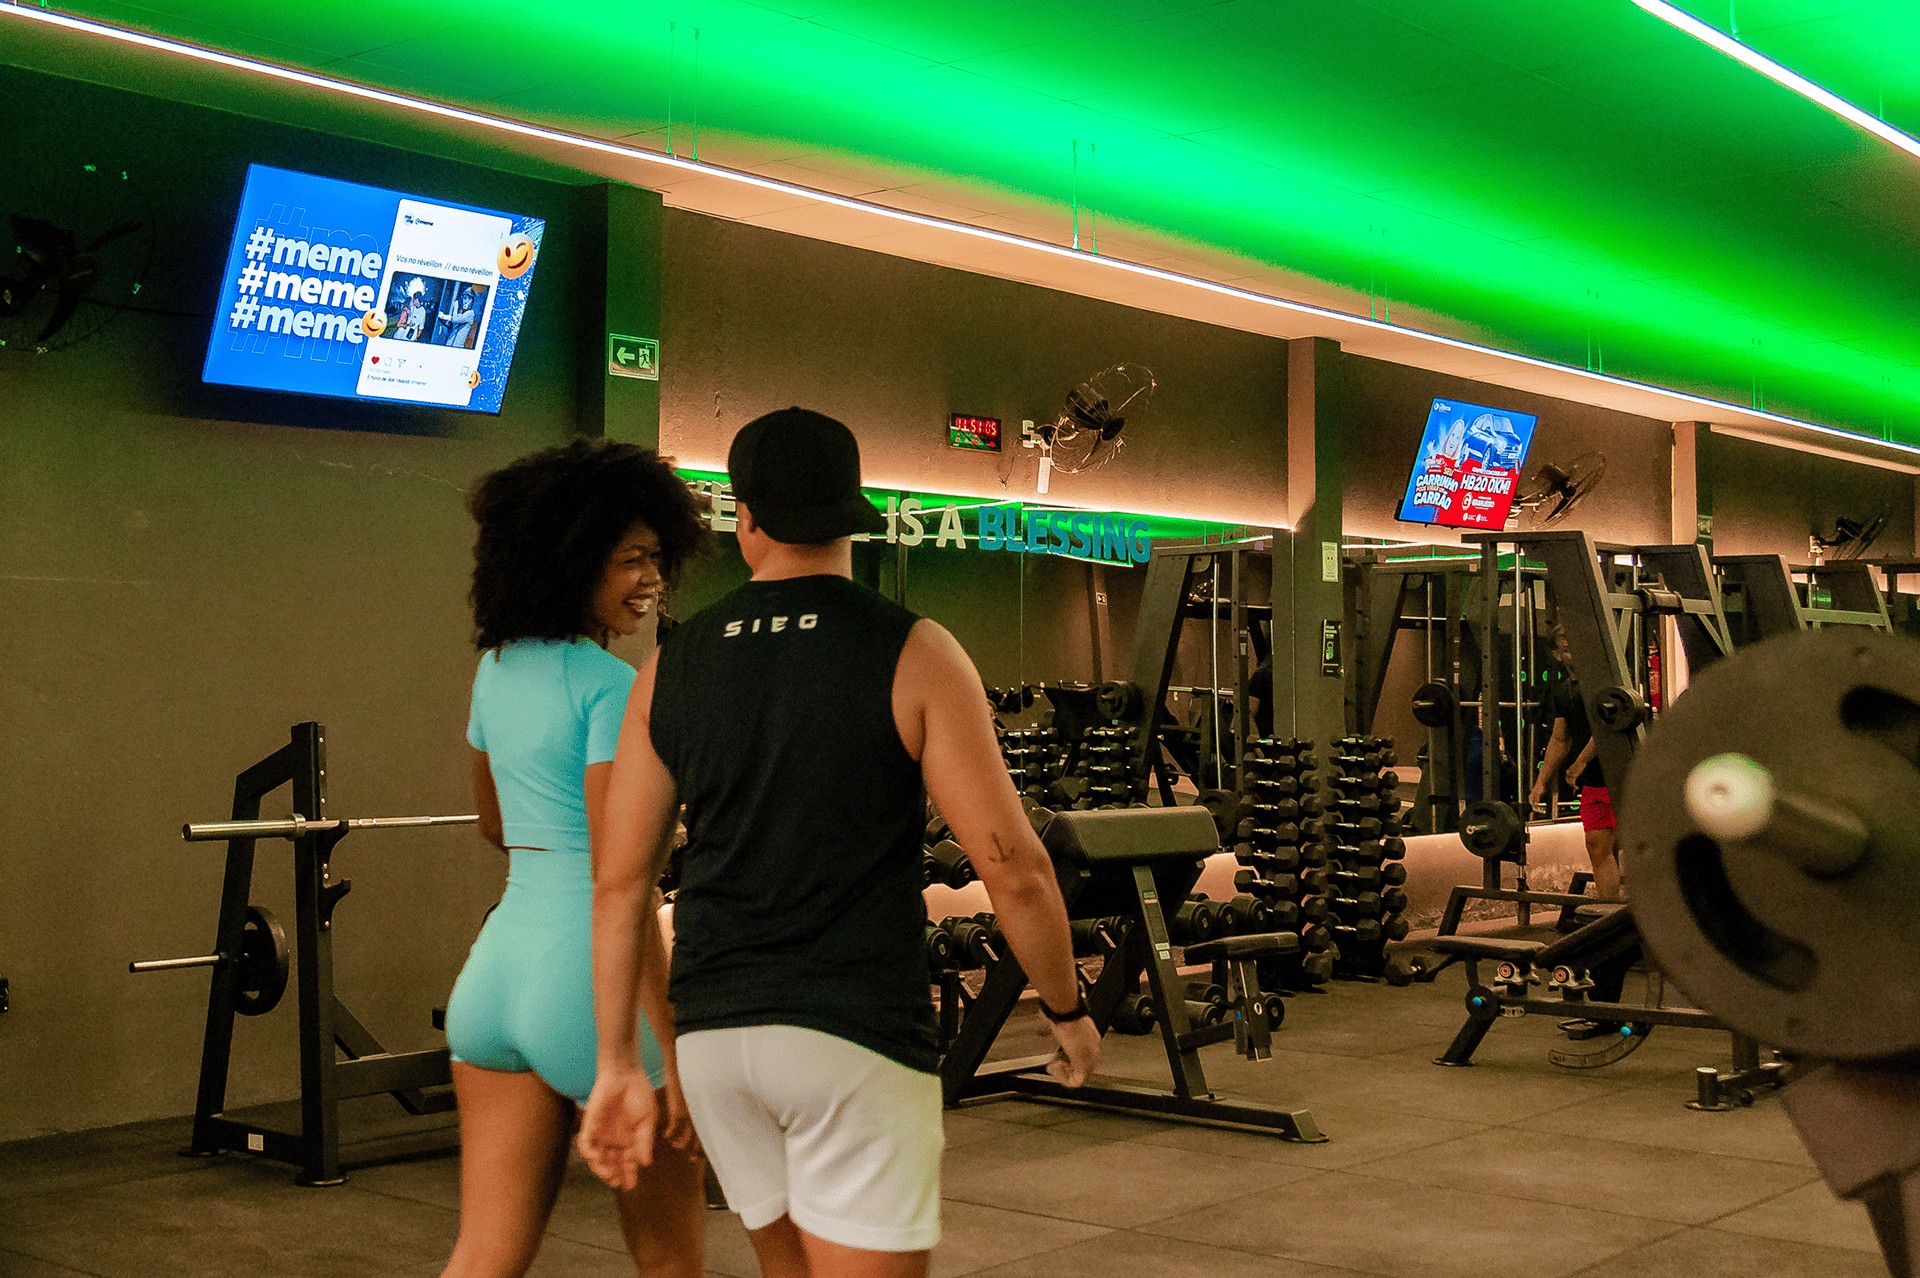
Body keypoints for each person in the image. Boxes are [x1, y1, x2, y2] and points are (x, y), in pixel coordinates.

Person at [577, 407, 1101, 1278]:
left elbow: (619, 884)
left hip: (716, 1043)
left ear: (746, 518)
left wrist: (615, 1063)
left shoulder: (674, 663)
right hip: (852, 1036)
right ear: (852, 512)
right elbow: (1012, 867)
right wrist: (1066, 1007)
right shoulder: (916, 650)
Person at [440, 438, 709, 1278]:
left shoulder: (496, 670)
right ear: (570, 560)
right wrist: (672, 1046)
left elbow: (495, 824)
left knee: (483, 1255)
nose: (652, 579)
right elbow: (617, 880)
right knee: (671, 1265)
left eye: (657, 558)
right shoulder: (610, 687)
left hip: (494, 977)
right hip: (588, 988)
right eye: (632, 559)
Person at [1528, 625, 1619, 899]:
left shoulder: (1604, 682)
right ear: (1557, 655)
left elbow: (1606, 726)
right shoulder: (1564, 692)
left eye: (1578, 646)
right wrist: (1540, 784)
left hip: (1623, 775)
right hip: (1594, 782)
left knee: (1637, 847)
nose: (1575, 654)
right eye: (1567, 649)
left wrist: (1580, 762)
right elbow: (1559, 739)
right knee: (1597, 847)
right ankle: (1610, 912)